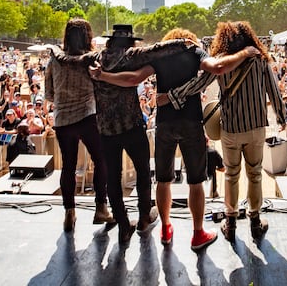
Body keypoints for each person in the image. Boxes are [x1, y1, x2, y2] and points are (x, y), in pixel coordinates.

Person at [91, 28, 255, 250]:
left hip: (165, 124)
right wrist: (245, 52)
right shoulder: (194, 52)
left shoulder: (160, 57)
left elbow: (133, 79)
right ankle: (198, 234)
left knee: (163, 179)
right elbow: (217, 67)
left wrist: (103, 76)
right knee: (196, 182)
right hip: (191, 123)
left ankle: (166, 229)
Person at [53, 23, 192, 246]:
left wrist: (55, 50)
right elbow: (157, 49)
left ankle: (123, 224)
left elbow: (68, 60)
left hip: (106, 129)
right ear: (130, 41)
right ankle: (145, 216)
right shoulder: (131, 56)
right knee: (143, 172)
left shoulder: (94, 58)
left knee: (113, 178)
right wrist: (182, 43)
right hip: (132, 125)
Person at [166, 21, 287, 243]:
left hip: (231, 129)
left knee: (232, 175)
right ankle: (255, 220)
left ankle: (230, 223)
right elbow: (273, 89)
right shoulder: (259, 59)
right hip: (256, 127)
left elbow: (198, 83)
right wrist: (281, 116)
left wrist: (173, 95)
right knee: (255, 174)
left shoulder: (221, 61)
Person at [43, 18, 113, 231]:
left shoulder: (54, 60)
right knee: (102, 160)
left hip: (63, 120)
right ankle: (101, 207)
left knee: (68, 166)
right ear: (87, 36)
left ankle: (69, 213)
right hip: (88, 116)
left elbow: (49, 93)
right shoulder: (91, 60)